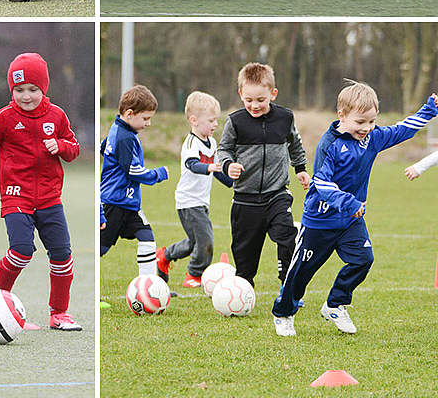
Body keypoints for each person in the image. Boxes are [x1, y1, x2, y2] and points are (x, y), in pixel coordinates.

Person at [271, 84, 437, 336]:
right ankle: (283, 313)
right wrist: (350, 203)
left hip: (350, 219)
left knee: (363, 259)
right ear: (342, 115)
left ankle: (335, 304)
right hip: (320, 219)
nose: (367, 127)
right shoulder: (330, 144)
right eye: (361, 121)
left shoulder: (371, 138)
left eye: (372, 121)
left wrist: (429, 110)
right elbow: (322, 183)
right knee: (301, 273)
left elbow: (403, 129)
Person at [0, 53, 82, 330]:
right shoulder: (4, 117)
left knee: (62, 256)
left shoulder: (57, 116)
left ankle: (59, 314)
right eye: (19, 90)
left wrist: (59, 146)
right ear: (11, 90)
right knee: (21, 251)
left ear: (44, 88)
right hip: (16, 196)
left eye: (33, 90)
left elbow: (74, 149)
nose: (26, 96)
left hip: (50, 199)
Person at [215, 61, 309, 290]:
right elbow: (223, 149)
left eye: (260, 100)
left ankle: (288, 283)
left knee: (287, 235)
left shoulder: (285, 118)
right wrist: (228, 166)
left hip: (277, 194)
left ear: (273, 94)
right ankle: (243, 289)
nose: (254, 105)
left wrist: (301, 169)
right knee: (245, 254)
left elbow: (295, 144)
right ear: (240, 94)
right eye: (248, 100)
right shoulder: (235, 121)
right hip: (245, 199)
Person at [156, 91, 233, 289]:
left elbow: (216, 171)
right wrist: (208, 167)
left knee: (194, 243)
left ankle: (164, 256)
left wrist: (233, 183)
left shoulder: (213, 143)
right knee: (206, 240)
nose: (215, 124)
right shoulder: (191, 143)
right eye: (211, 120)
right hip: (188, 201)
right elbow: (192, 164)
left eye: (216, 120)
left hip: (201, 202)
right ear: (194, 120)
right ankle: (194, 274)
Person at [99, 84, 169, 279]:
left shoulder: (119, 130)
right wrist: (159, 174)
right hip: (113, 204)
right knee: (101, 248)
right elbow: (133, 171)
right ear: (129, 114)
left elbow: (103, 147)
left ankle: (148, 285)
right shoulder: (124, 137)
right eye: (145, 118)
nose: (148, 123)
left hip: (130, 205)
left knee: (147, 238)